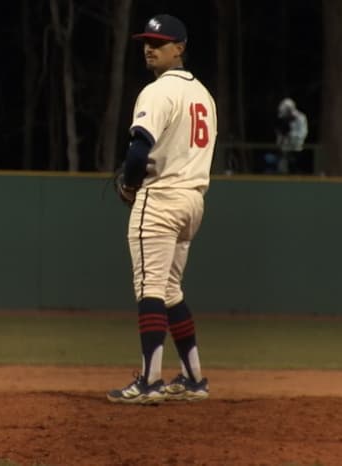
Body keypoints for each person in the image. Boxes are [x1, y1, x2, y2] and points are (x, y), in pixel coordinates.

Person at [107, 14, 218, 405]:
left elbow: (139, 151)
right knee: (170, 289)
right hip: (193, 201)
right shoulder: (203, 95)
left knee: (150, 288)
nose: (150, 49)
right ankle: (193, 379)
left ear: (180, 48)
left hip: (161, 198)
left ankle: (149, 382)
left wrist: (129, 184)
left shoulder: (157, 92)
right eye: (146, 42)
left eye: (159, 42)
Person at [274, 98, 308, 174]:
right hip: (284, 150)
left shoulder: (301, 118)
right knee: (282, 170)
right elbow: (280, 135)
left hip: (296, 149)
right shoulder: (283, 118)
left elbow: (303, 134)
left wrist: (290, 134)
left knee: (295, 169)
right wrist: (280, 141)